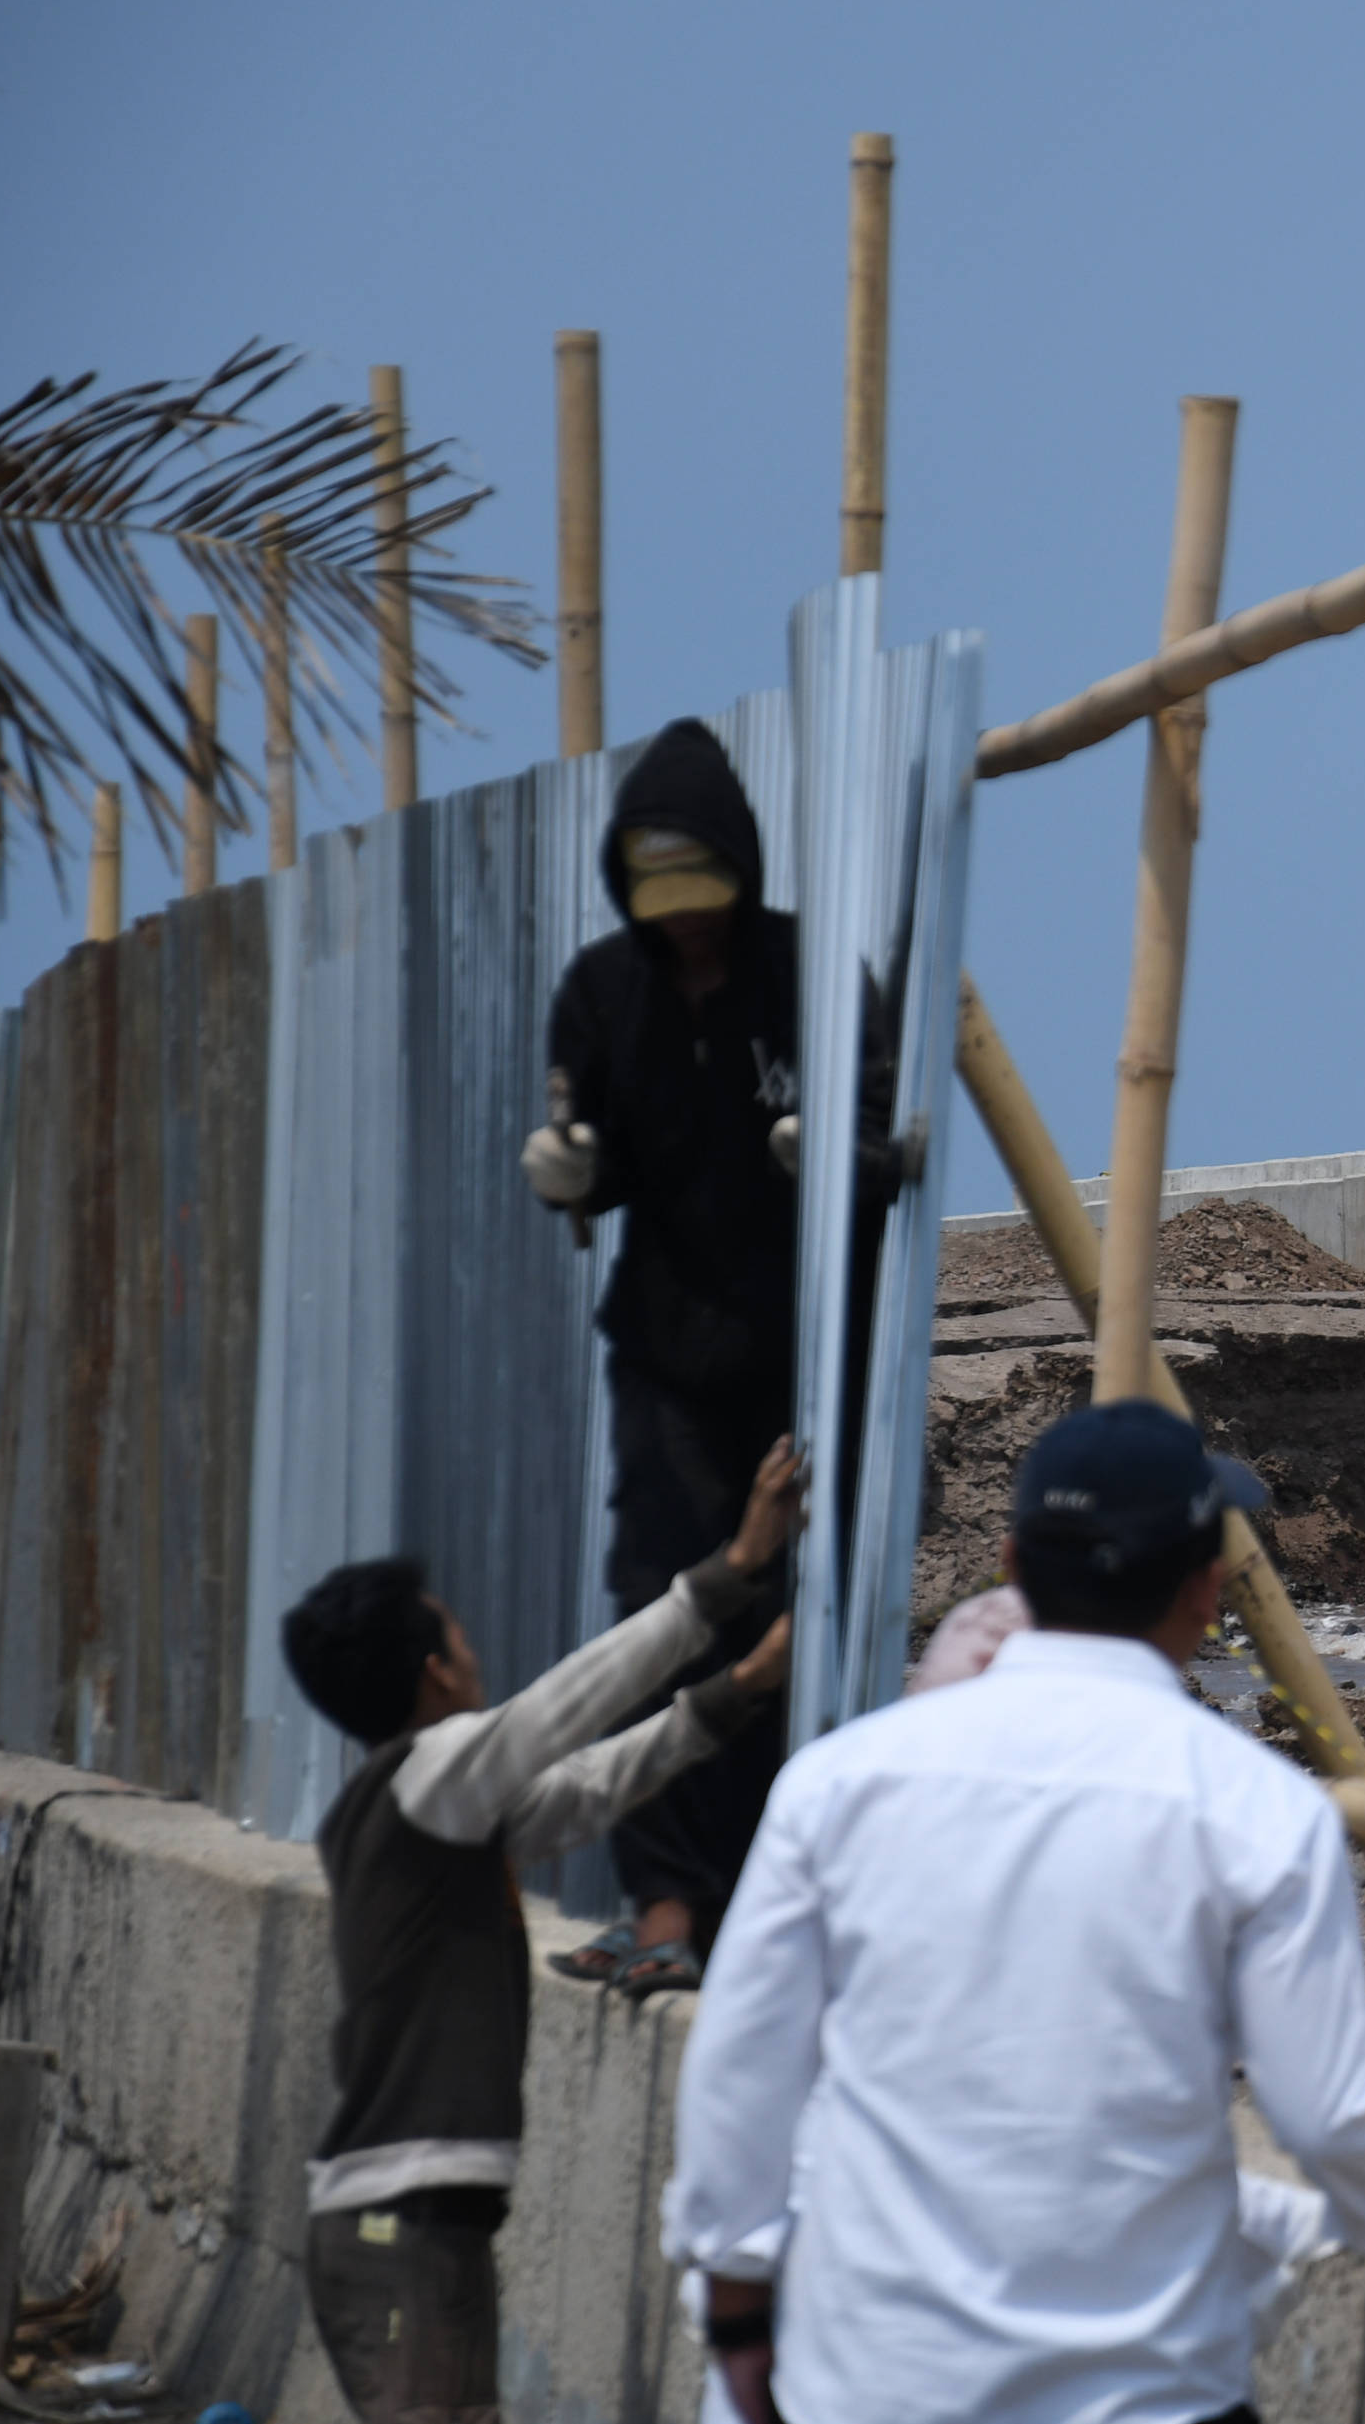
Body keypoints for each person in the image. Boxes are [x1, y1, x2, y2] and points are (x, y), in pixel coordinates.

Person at [664, 1401, 1365, 2424]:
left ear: (1012, 1564)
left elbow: (741, 2077)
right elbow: (1328, 2114)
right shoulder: (1257, 1812)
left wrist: (737, 2322)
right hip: (1142, 2395)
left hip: (866, 2383)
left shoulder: (837, 1785)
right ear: (1207, 1588)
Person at [282, 1438, 804, 2424]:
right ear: (436, 1669)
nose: (478, 1654)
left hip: (410, 2225)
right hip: (398, 2229)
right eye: (462, 1639)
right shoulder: (429, 1774)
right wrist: (725, 1579)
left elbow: (589, 1788)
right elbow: (563, 1712)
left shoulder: (418, 1814)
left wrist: (741, 1689)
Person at [524, 719, 806, 1996]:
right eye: (665, 906)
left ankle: (766, 1902)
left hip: (794, 1353)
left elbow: (874, 1130)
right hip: (663, 1355)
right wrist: (573, 1176)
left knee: (792, 1625)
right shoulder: (603, 989)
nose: (688, 928)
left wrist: (834, 1154)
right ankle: (665, 1906)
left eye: (707, 903)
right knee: (661, 1606)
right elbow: (589, 1145)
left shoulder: (799, 976)